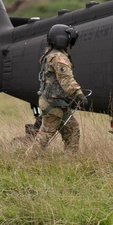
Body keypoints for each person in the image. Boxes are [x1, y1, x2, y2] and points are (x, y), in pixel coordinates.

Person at [29, 24, 87, 155]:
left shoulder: (50, 55)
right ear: (62, 40)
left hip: (57, 103)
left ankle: (70, 161)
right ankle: (28, 161)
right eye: (69, 41)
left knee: (72, 130)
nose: (71, 44)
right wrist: (79, 93)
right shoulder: (59, 58)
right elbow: (66, 79)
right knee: (45, 135)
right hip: (53, 104)